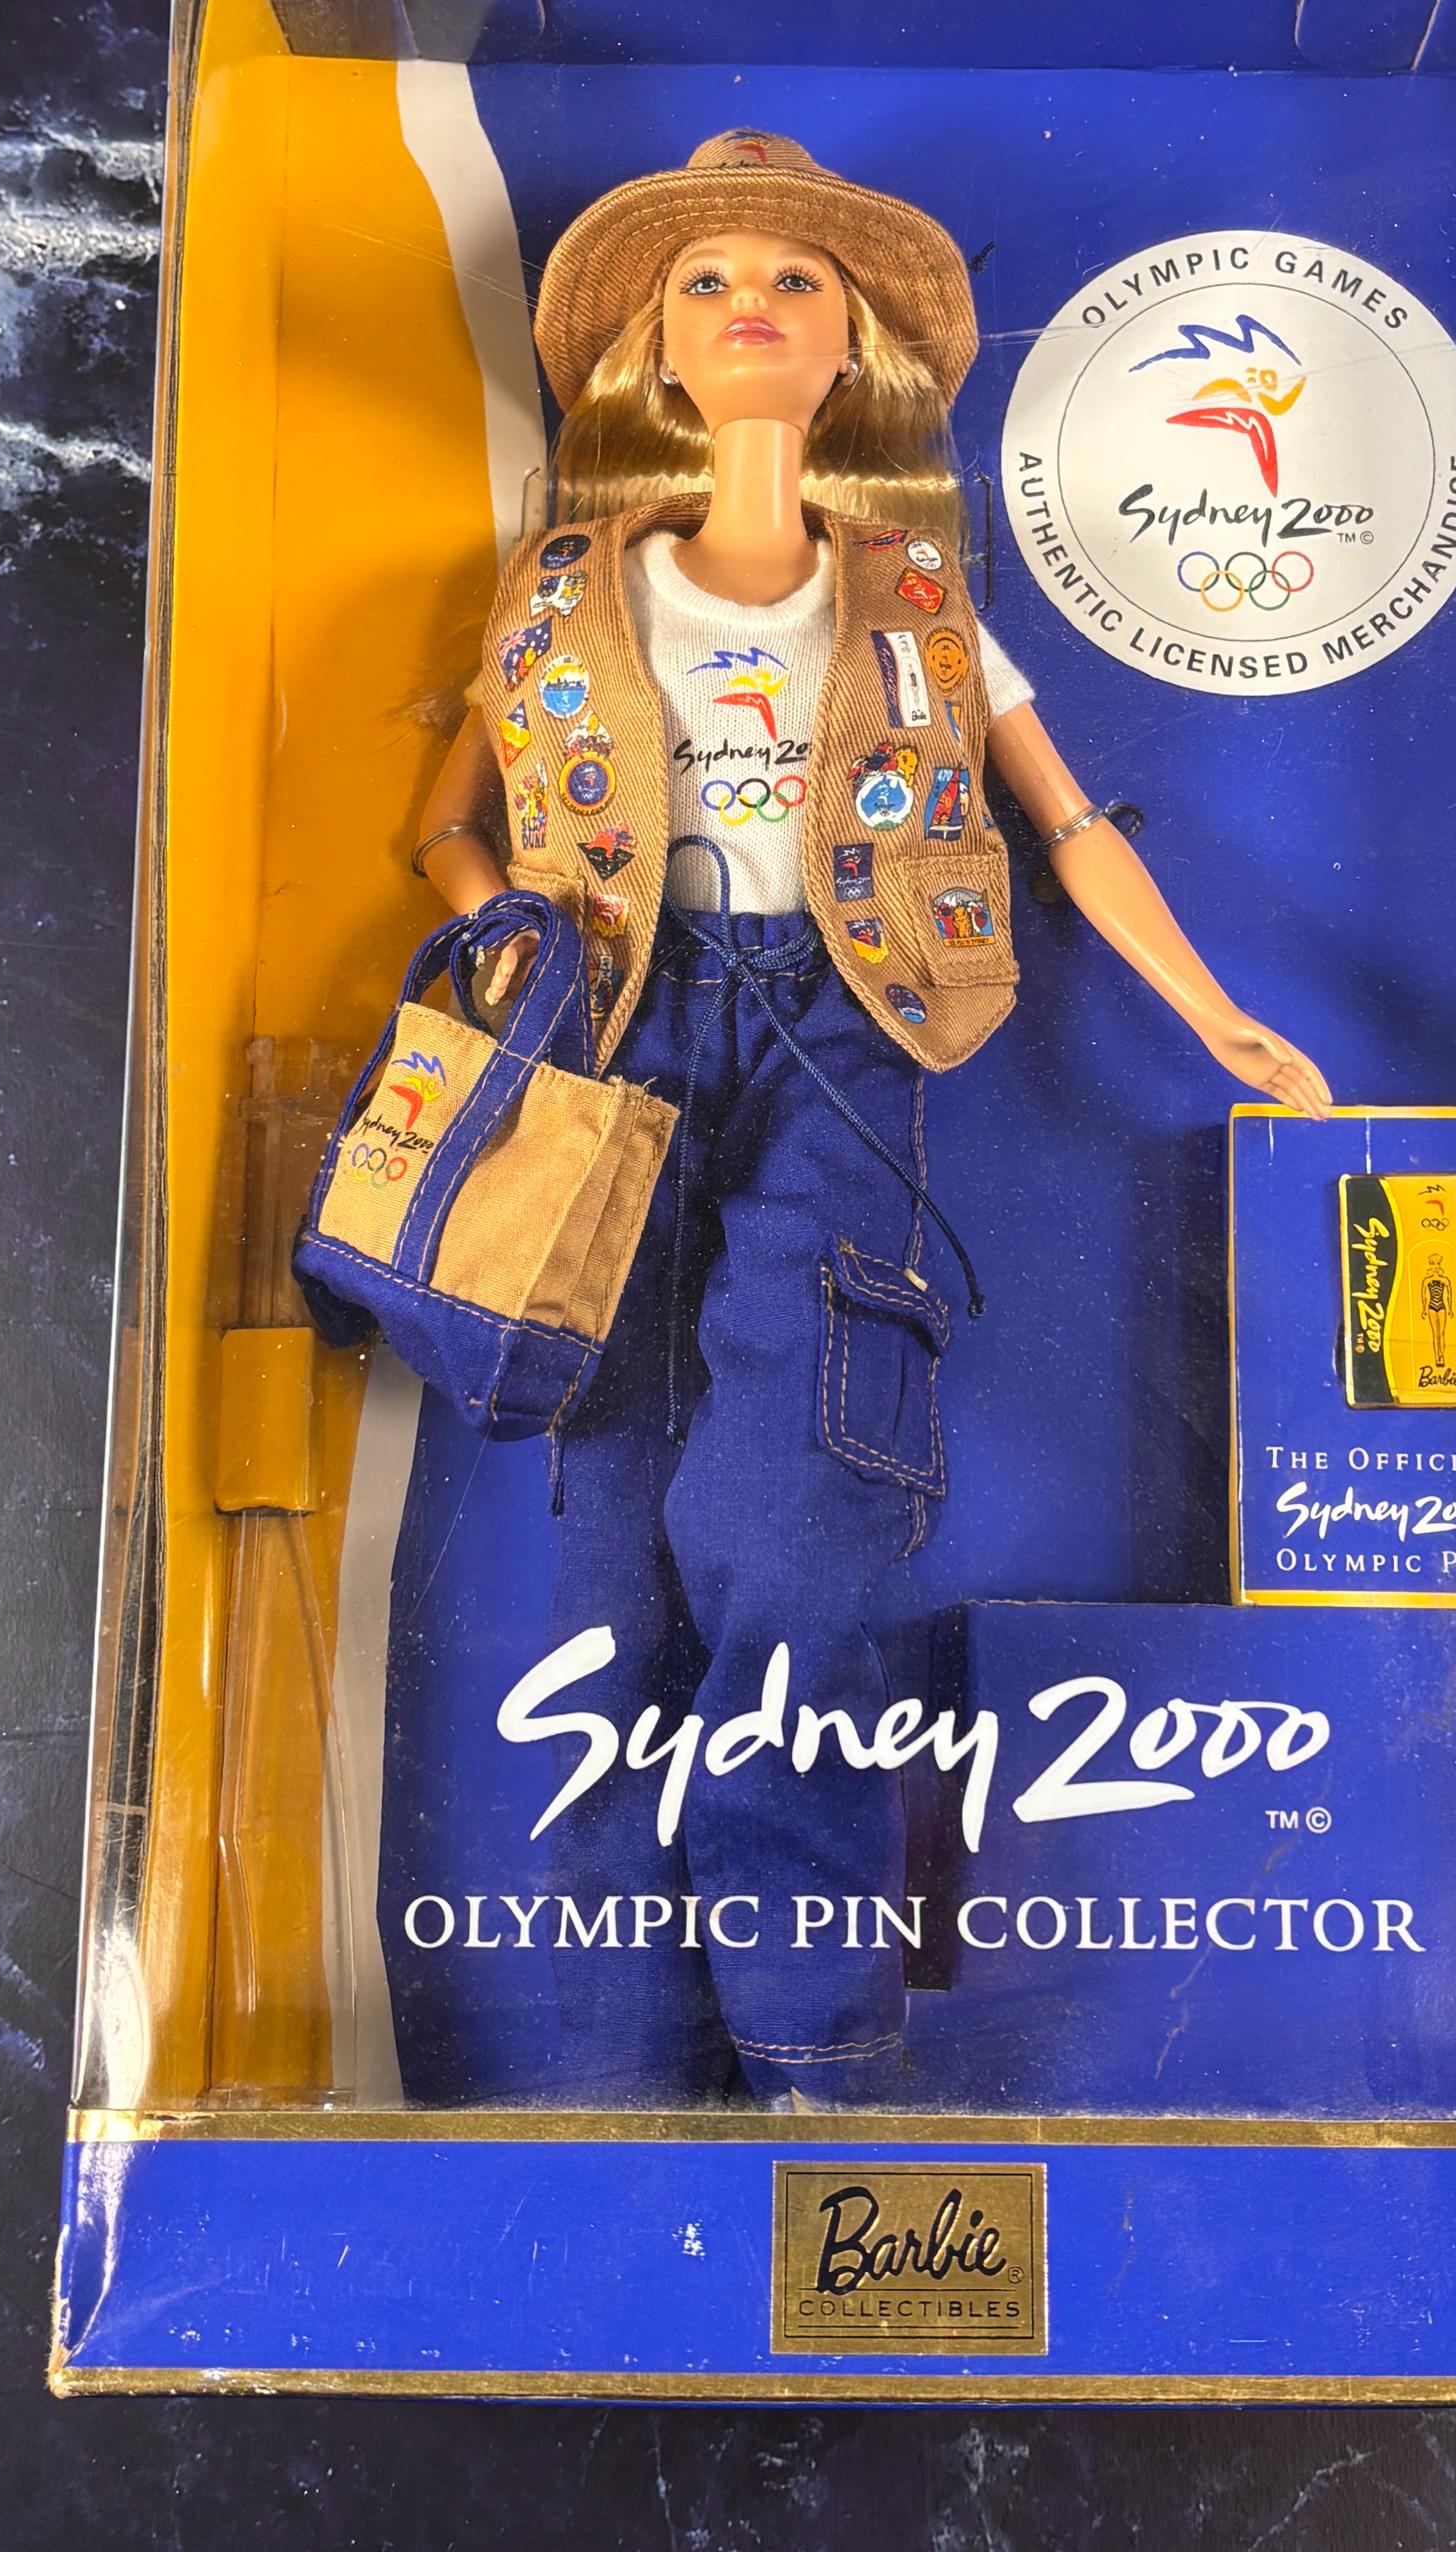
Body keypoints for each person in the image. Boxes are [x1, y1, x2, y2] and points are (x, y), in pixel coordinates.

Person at [394, 130, 1331, 2108]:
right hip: (605, 1041)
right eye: (710, 284)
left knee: (800, 1529)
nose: (751, 308)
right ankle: (617, 2068)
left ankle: (812, 2044)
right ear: (654, 350)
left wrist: (1213, 1008)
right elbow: (444, 827)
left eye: (793, 285)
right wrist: (508, 956)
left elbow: (1063, 821)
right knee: (600, 1557)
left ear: (852, 350)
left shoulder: (914, 603)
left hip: (843, 1026)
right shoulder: (562, 591)